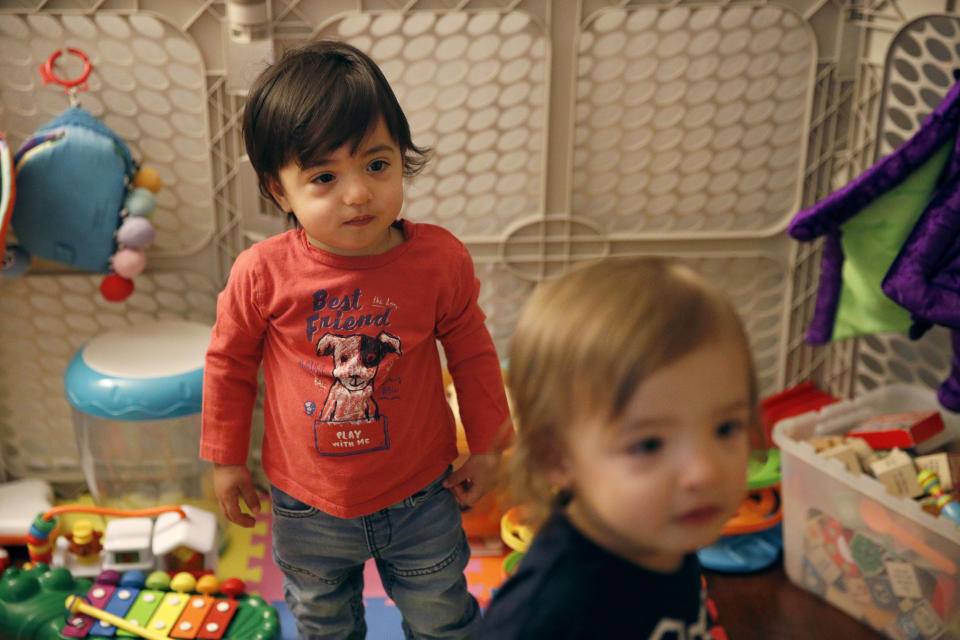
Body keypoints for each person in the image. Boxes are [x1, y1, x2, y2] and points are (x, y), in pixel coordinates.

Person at [200, 40, 513, 640]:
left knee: (445, 618)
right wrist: (225, 460)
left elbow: (472, 350)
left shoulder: (438, 260)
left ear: (402, 159)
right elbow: (228, 365)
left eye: (376, 164)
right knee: (323, 625)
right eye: (324, 176)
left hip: (421, 493)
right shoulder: (261, 273)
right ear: (279, 192)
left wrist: (489, 443)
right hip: (305, 503)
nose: (358, 194)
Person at [480, 257, 755, 639]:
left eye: (725, 428)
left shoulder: (662, 529)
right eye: (649, 444)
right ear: (555, 457)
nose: (705, 471)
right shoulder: (547, 614)